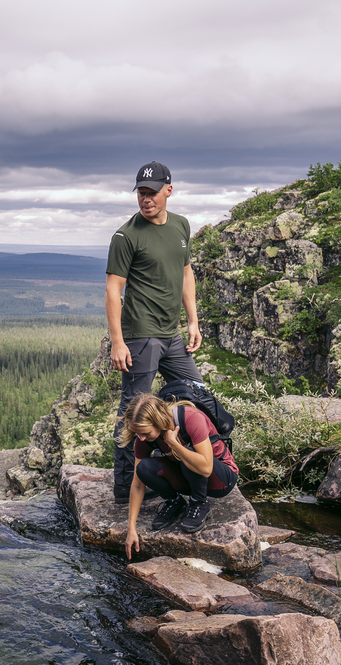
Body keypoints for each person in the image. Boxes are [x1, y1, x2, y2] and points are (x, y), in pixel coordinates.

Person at [106, 160, 205, 504]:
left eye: (152, 193)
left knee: (198, 395)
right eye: (141, 193)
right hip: (140, 335)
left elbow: (186, 273)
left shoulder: (181, 226)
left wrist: (193, 320)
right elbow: (112, 289)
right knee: (134, 411)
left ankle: (188, 471)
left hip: (171, 334)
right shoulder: (126, 236)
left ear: (169, 190)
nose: (146, 200)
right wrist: (117, 342)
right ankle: (124, 486)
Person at [119, 393, 238, 560]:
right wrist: (131, 527)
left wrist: (174, 443)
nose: (141, 438)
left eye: (145, 433)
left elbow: (205, 468)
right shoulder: (143, 438)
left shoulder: (191, 418)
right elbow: (138, 484)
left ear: (158, 421)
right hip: (188, 475)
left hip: (222, 478)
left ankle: (199, 503)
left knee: (188, 453)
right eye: (137, 433)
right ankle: (175, 501)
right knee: (144, 468)